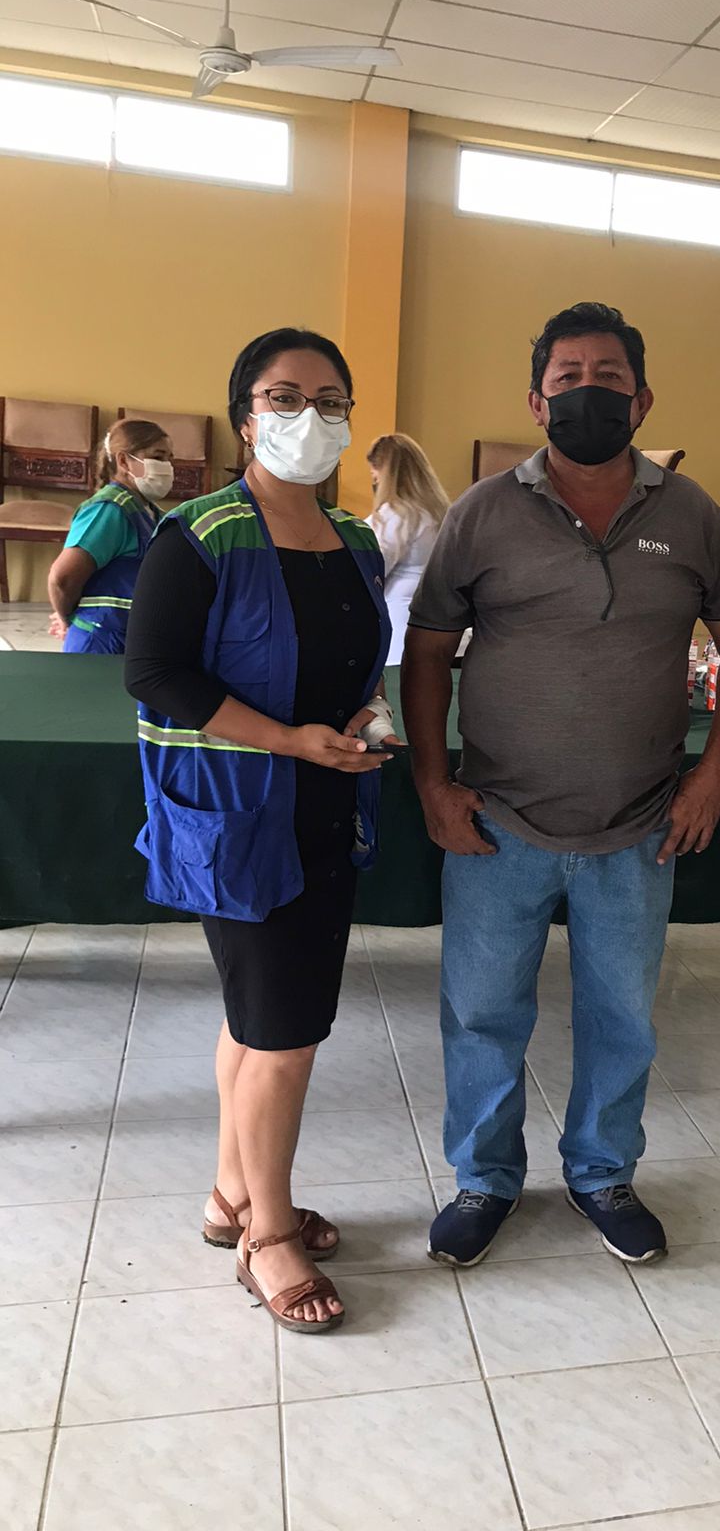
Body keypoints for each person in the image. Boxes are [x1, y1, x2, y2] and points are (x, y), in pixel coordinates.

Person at [402, 301, 720, 1268]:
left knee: (623, 1019)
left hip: (639, 824)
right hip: (498, 821)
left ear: (642, 400)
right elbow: (428, 651)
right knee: (483, 1015)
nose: (588, 392)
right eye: (567, 378)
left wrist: (716, 772)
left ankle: (603, 1173)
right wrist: (434, 782)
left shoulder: (691, 515)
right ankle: (484, 1180)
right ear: (537, 400)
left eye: (609, 378)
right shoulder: (483, 512)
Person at [124, 327, 398, 1335]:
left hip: (327, 803)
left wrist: (364, 717)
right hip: (241, 814)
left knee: (257, 1020)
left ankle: (231, 1195)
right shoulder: (199, 534)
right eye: (285, 397)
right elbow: (155, 672)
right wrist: (288, 739)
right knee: (285, 1034)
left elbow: (354, 660)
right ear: (246, 417)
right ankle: (269, 1237)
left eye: (331, 400)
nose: (309, 417)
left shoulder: (356, 541)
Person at [49, 418, 175, 652]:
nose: (166, 466)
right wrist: (68, 618)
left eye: (169, 459)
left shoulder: (149, 512)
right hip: (101, 641)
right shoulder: (110, 510)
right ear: (124, 461)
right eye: (157, 458)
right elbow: (63, 578)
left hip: (127, 638)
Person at [366, 432, 450, 667]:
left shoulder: (396, 516)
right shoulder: (439, 514)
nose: (374, 479)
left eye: (374, 472)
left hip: (400, 631)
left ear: (385, 471)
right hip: (439, 628)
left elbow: (370, 570)